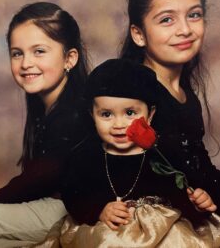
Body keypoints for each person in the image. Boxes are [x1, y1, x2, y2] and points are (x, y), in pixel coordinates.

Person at [39, 59, 219, 248]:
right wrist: (98, 209)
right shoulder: (86, 155)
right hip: (110, 228)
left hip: (160, 227)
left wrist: (197, 203)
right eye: (106, 114)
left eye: (130, 113)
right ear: (93, 115)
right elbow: (73, 192)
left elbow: (180, 192)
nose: (118, 125)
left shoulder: (164, 154)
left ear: (150, 115)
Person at [120, 0, 220, 211]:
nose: (185, 29)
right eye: (167, 19)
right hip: (150, 219)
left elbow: (197, 166)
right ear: (138, 34)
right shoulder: (132, 94)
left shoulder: (185, 92)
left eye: (194, 15)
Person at [0, 2, 92, 247]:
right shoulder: (47, 107)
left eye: (39, 51)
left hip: (68, 210)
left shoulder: (74, 112)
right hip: (49, 208)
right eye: (17, 53)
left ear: (69, 58)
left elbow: (39, 180)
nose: (26, 62)